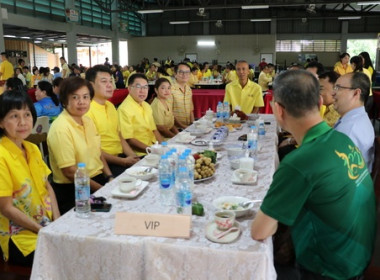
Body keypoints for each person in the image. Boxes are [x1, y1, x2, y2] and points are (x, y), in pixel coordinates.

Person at [251, 70, 376, 280]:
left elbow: (260, 232)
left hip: (330, 267)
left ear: (278, 110)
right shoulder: (342, 139)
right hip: (360, 252)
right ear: (320, 102)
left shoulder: (300, 162)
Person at [0, 90, 60, 266]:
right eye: (14, 116)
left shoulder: (32, 148)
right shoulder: (2, 155)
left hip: (46, 224)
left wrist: (57, 222)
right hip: (20, 236)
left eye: (27, 114)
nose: (23, 122)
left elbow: (47, 187)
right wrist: (43, 230)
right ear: (1, 122)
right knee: (63, 259)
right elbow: (6, 208)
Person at [47, 77, 113, 215]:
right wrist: (102, 189)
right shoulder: (60, 128)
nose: (81, 102)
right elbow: (70, 172)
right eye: (75, 97)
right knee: (114, 213)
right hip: (75, 191)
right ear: (65, 101)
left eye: (85, 97)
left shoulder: (87, 121)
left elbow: (98, 152)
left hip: (97, 180)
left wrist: (110, 177)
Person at [85, 65, 139, 177]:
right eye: (104, 82)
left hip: (121, 158)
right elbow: (94, 151)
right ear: (91, 85)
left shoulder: (110, 106)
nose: (110, 85)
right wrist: (124, 162)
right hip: (104, 165)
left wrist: (134, 157)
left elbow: (119, 136)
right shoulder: (87, 111)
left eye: (111, 81)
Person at [332, 71, 374, 171]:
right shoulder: (357, 118)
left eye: (338, 88)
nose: (332, 93)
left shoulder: (349, 130)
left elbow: (336, 171)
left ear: (356, 93)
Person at [118, 73, 163, 156]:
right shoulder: (124, 109)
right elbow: (129, 139)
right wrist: (151, 150)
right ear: (129, 88)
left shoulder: (146, 105)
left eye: (145, 87)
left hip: (154, 147)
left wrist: (164, 146)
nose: (142, 91)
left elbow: (154, 130)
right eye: (138, 87)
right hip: (140, 153)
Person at [167, 62, 195, 129]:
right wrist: (183, 127)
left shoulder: (188, 89)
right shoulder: (170, 89)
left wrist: (193, 124)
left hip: (187, 127)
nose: (184, 75)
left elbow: (191, 110)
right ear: (175, 74)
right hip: (175, 128)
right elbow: (169, 112)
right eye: (181, 72)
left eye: (187, 72)